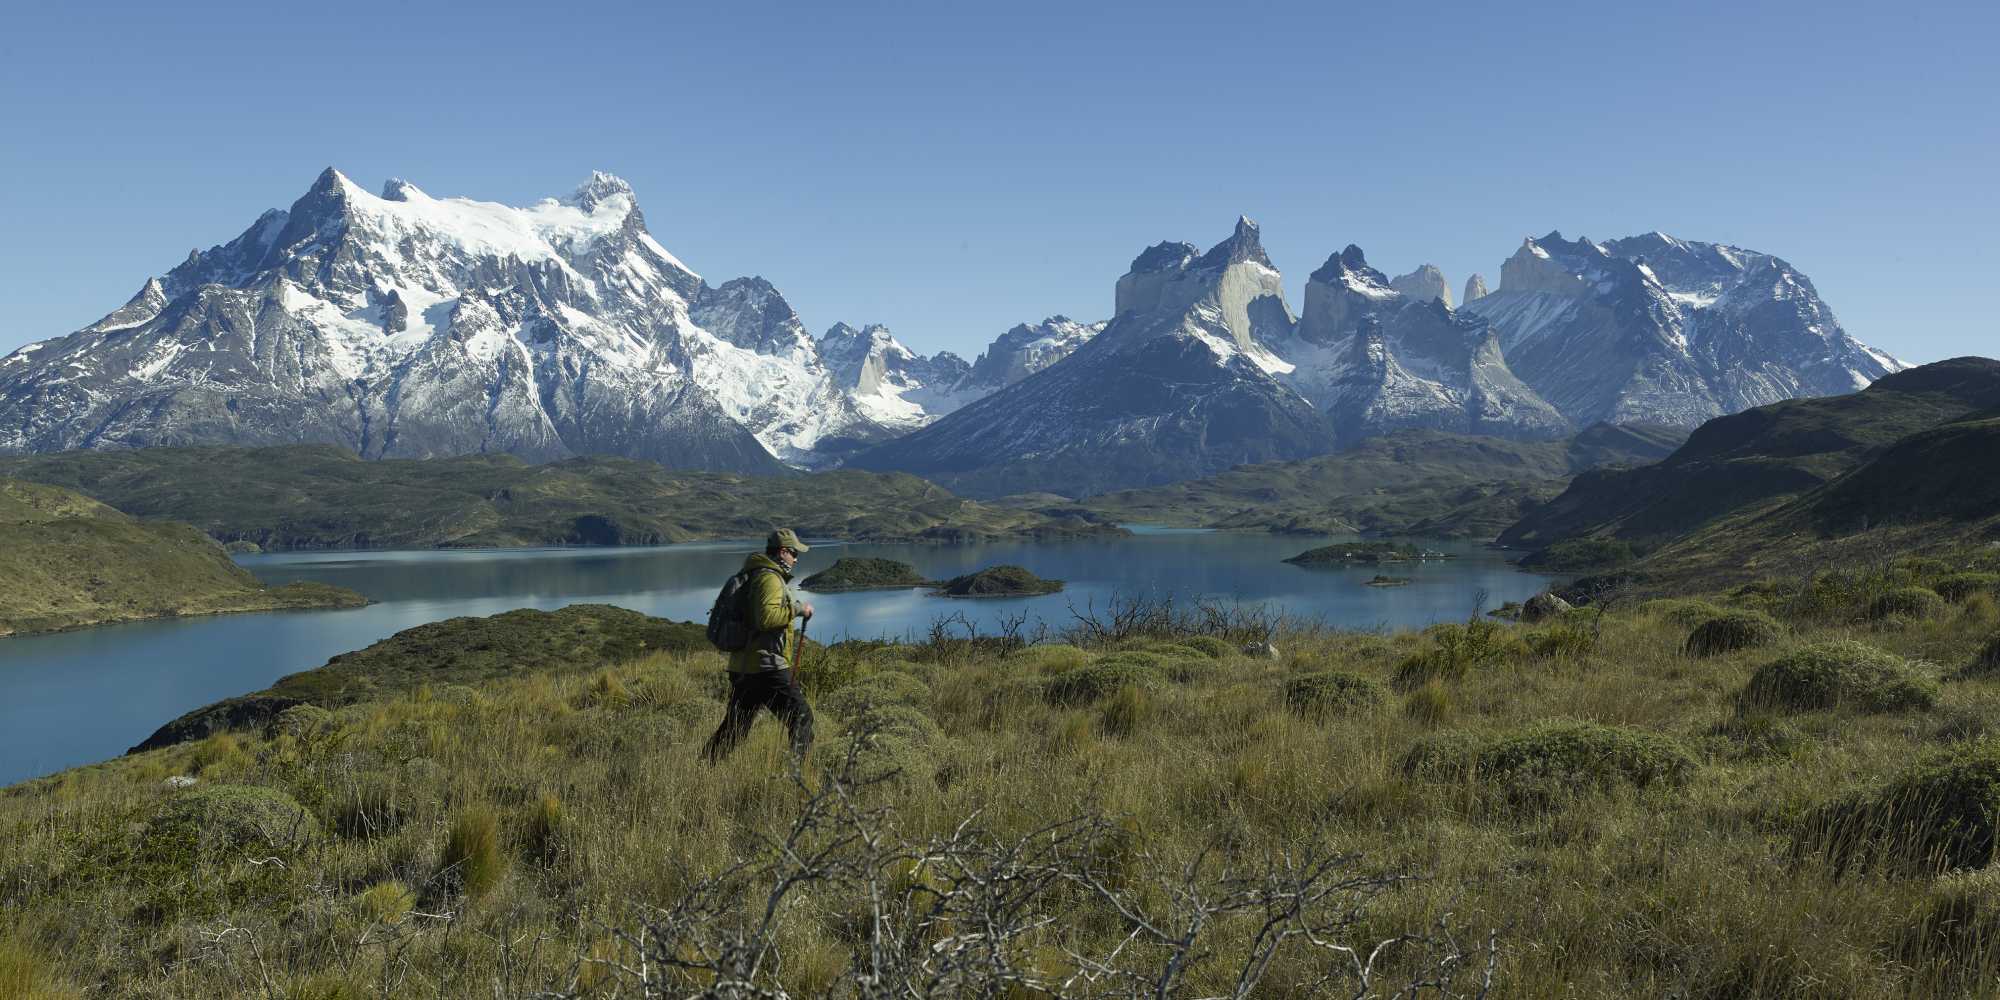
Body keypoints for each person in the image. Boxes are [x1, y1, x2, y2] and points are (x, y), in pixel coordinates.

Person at [702, 528, 816, 762]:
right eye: (794, 553)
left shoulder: (754, 573)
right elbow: (766, 618)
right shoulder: (769, 578)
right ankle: (795, 775)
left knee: (735, 728)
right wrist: (798, 609)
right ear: (783, 551)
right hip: (766, 667)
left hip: (744, 666)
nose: (796, 559)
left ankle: (704, 766)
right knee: (802, 716)